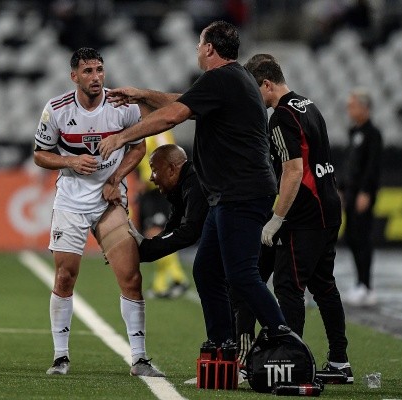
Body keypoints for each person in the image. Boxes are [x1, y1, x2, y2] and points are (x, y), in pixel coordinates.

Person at [99, 21, 288, 351]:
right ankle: (223, 345)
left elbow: (173, 115)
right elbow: (183, 100)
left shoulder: (222, 78)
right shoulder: (232, 79)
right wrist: (144, 94)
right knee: (205, 271)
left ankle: (284, 339)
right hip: (229, 194)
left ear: (210, 49)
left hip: (241, 193)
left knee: (241, 275)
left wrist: (121, 137)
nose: (197, 51)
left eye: (199, 45)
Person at [33, 47, 164, 377]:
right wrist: (70, 161)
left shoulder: (122, 106)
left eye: (100, 70)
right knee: (65, 277)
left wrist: (117, 178)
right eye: (88, 71)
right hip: (71, 204)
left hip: (109, 202)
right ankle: (60, 357)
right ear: (74, 76)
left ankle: (140, 358)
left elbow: (138, 146)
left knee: (131, 277)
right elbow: (40, 154)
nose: (96, 77)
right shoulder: (57, 109)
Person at [244, 54, 353, 382]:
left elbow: (293, 171)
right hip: (329, 208)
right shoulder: (310, 105)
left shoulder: (280, 117)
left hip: (305, 214)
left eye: (255, 90)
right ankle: (339, 362)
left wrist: (277, 218)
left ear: (266, 84)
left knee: (289, 287)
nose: (254, 98)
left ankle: (292, 364)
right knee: (324, 286)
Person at [129, 144, 207, 296]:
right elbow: (173, 229)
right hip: (154, 192)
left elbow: (190, 231)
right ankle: (163, 281)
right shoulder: (179, 190)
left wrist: (144, 250)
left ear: (171, 169)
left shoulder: (194, 185)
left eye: (155, 171)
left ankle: (177, 278)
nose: (152, 176)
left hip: (155, 194)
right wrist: (144, 250)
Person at [339, 87, 383, 307]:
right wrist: (341, 187)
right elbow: (350, 165)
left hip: (362, 194)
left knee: (362, 238)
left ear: (364, 108)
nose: (349, 109)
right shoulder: (353, 132)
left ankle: (366, 285)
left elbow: (372, 167)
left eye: (353, 105)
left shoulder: (373, 134)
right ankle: (360, 283)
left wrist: (365, 191)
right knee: (352, 237)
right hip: (351, 192)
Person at [134, 134, 191, 299]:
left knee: (155, 233)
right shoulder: (149, 129)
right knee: (154, 235)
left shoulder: (159, 133)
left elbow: (170, 158)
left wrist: (148, 180)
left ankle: (178, 278)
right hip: (150, 189)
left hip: (158, 190)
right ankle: (160, 284)